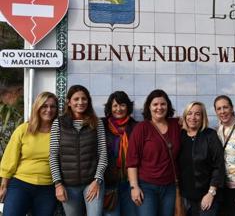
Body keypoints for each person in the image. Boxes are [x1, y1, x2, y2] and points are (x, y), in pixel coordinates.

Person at [49, 85, 108, 216]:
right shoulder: (58, 123)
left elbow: (103, 153)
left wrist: (97, 180)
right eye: (76, 99)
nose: (80, 102)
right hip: (68, 185)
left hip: (92, 183)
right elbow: (53, 155)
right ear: (69, 102)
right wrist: (58, 184)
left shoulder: (97, 123)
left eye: (84, 99)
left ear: (88, 101)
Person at [0, 92, 58, 216]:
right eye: (44, 106)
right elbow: (10, 158)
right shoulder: (23, 129)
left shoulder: (60, 132)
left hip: (47, 188)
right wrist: (4, 186)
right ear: (37, 107)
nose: (48, 110)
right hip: (21, 185)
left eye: (52, 106)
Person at [126, 89, 181, 216]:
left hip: (170, 187)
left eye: (163, 104)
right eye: (155, 104)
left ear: (168, 106)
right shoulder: (141, 128)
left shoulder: (176, 125)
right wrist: (134, 187)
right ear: (149, 107)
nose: (159, 107)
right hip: (146, 186)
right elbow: (131, 160)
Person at [178, 101, 225, 216]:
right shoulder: (180, 136)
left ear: (203, 117)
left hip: (207, 196)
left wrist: (211, 193)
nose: (193, 117)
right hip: (185, 198)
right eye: (189, 113)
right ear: (185, 116)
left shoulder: (210, 135)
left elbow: (219, 166)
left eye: (197, 114)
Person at [102, 91, 138, 216]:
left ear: (128, 107)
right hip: (109, 182)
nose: (119, 109)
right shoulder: (102, 126)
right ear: (110, 108)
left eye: (122, 105)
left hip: (130, 182)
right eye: (115, 106)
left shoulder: (136, 127)